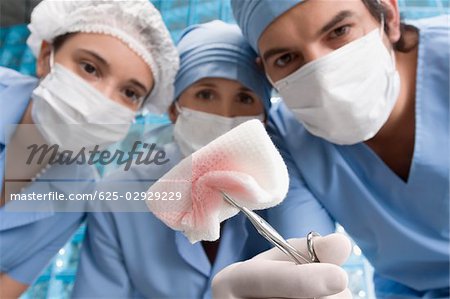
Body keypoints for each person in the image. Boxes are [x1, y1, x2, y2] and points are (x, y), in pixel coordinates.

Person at [71, 20, 352, 299]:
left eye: (244, 98)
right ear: (173, 109)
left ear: (264, 117)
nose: (225, 114)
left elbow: (309, 261)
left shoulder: (281, 182)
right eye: (205, 94)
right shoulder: (116, 197)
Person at [216, 0, 449, 297]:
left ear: (388, 16)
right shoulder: (285, 140)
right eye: (286, 58)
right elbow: (307, 255)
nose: (322, 76)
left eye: (339, 31)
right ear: (267, 74)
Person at [0, 0, 178, 297]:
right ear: (46, 56)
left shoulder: (79, 193)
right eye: (89, 68)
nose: (102, 101)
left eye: (130, 93)